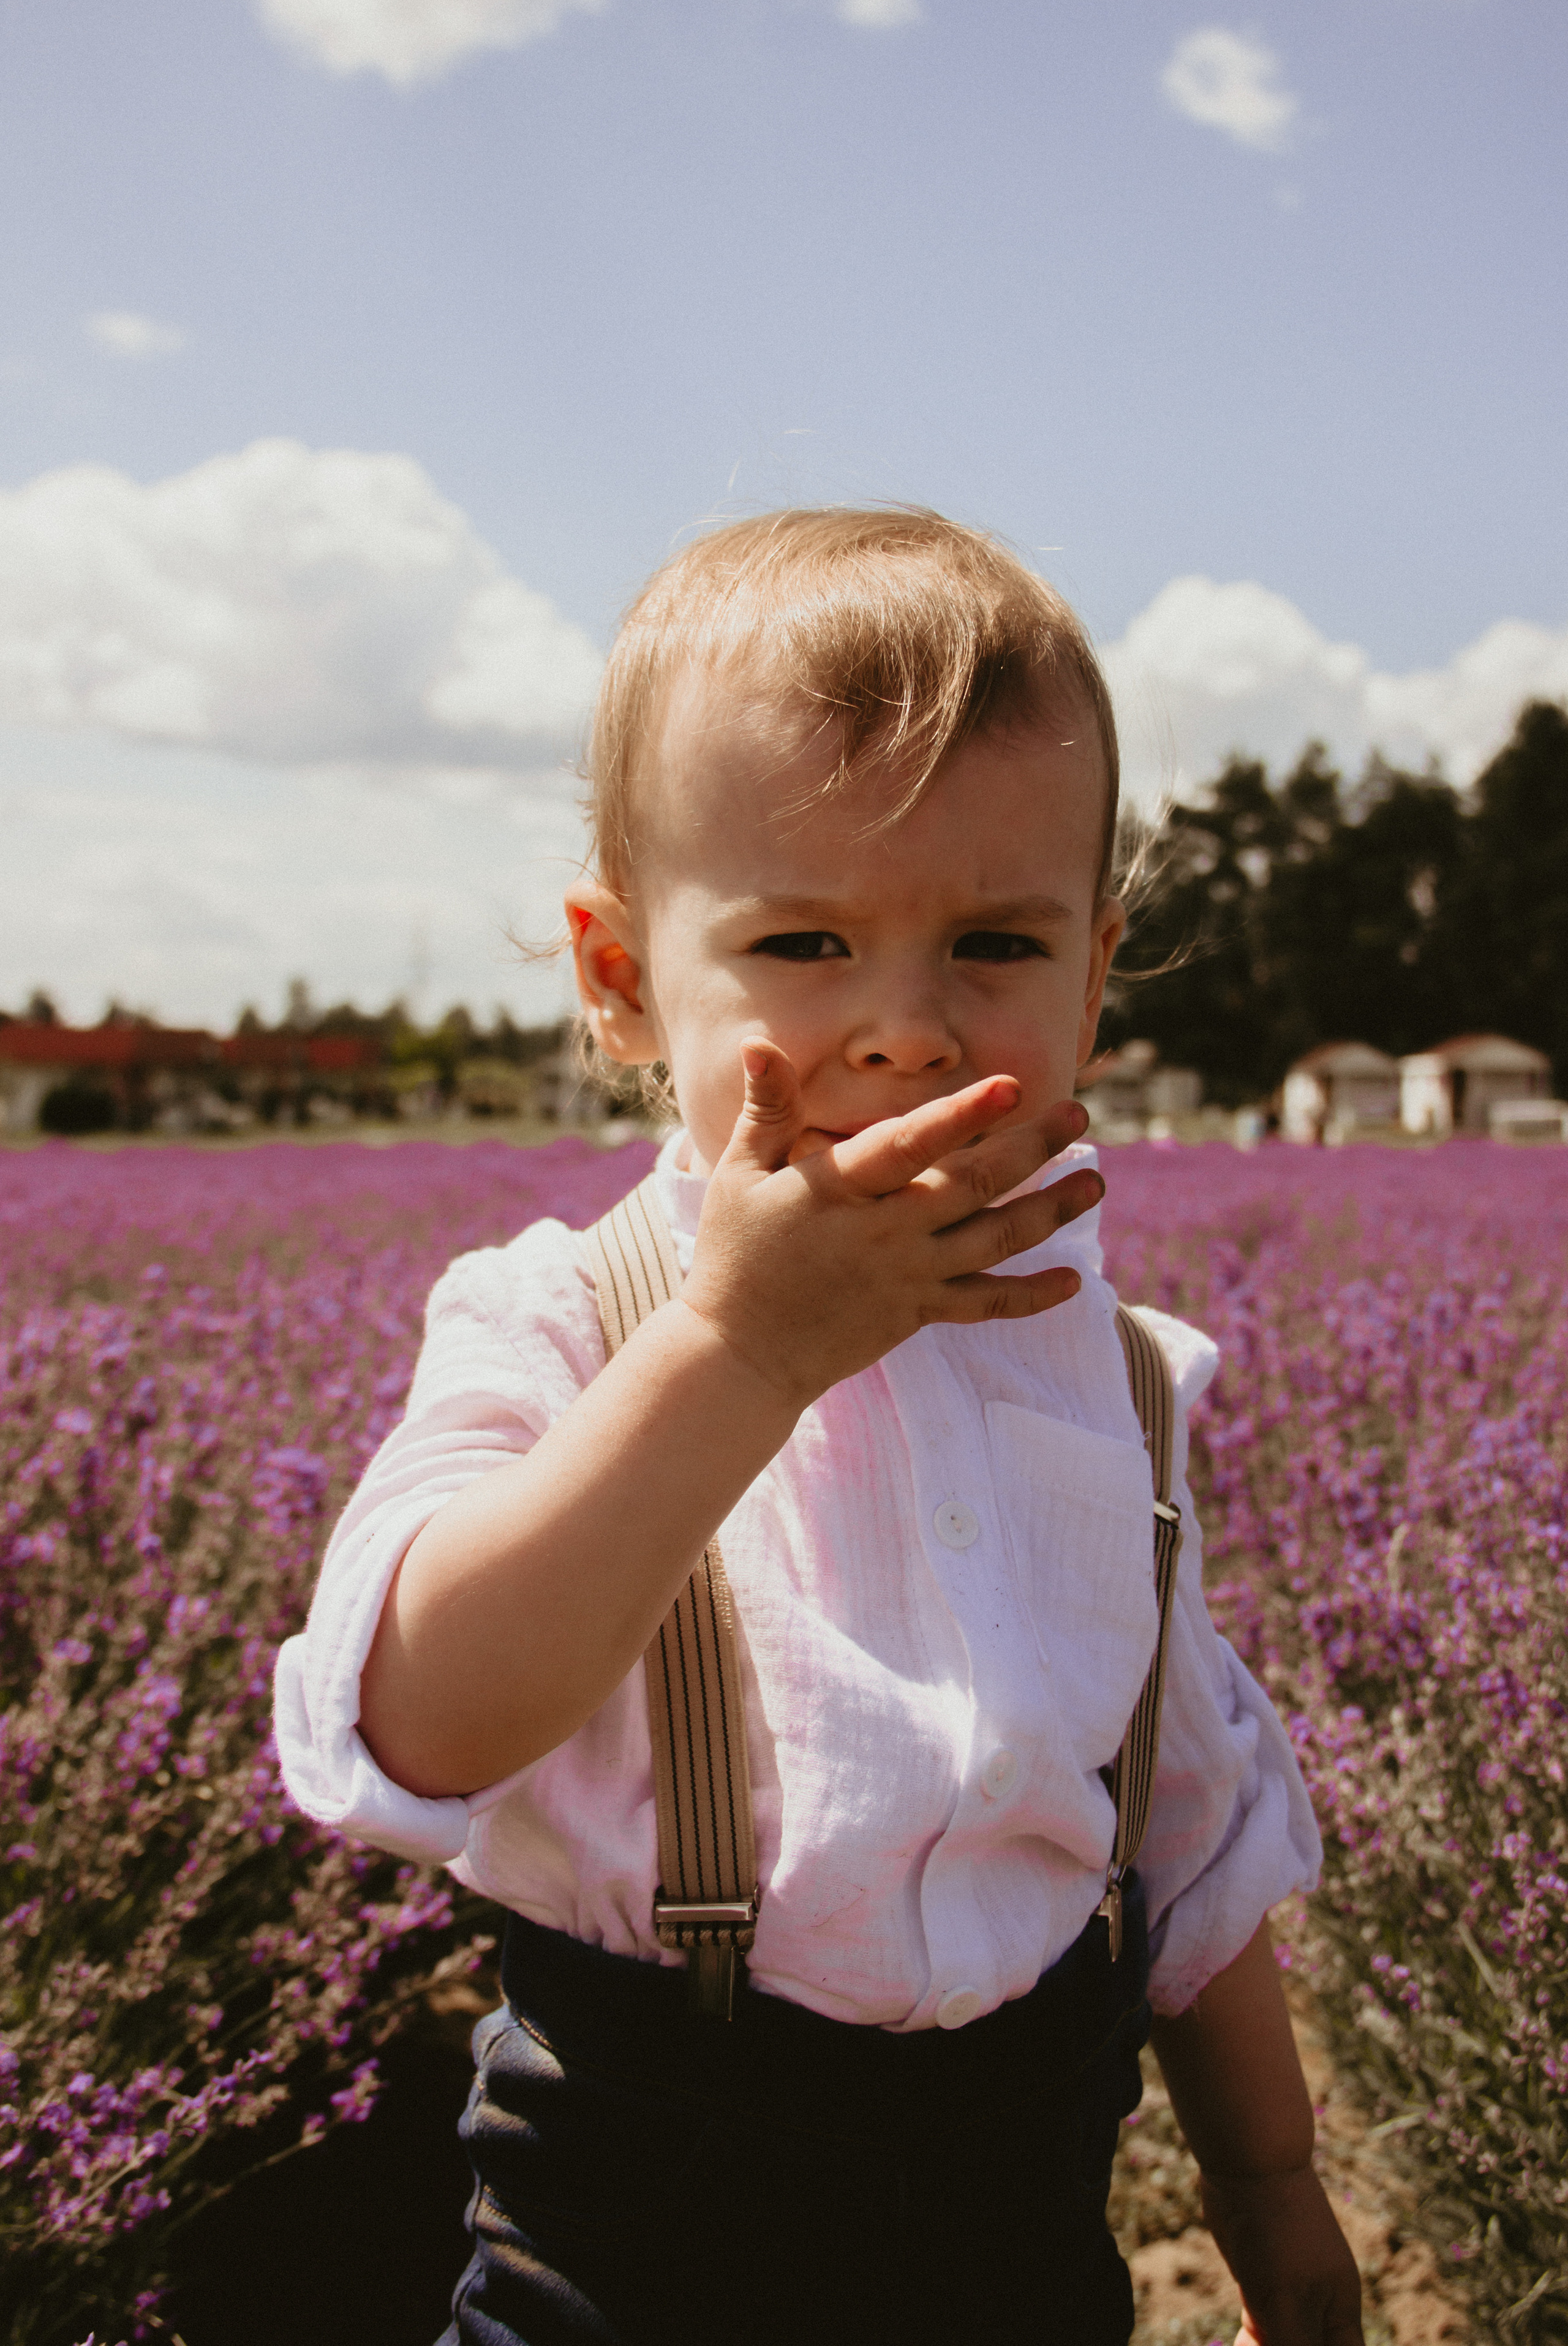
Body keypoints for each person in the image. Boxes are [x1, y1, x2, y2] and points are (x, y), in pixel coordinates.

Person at [274, 508, 1362, 2346]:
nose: (908, 1028)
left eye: (996, 944)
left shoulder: (1114, 1369)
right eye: (804, 938)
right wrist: (736, 1355)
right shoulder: (560, 1321)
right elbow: (408, 1719)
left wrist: (1275, 2197)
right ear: (621, 981)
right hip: (630, 2247)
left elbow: (1182, 1815)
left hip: (1019, 2241)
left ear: (1096, 979)